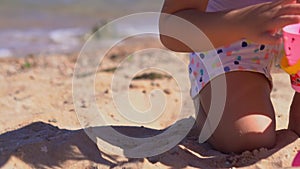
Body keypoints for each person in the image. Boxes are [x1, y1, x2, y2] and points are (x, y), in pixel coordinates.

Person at [159, 0, 300, 153]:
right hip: (230, 33)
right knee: (250, 138)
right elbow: (171, 27)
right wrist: (241, 22)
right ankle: (208, 109)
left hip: (295, 32)